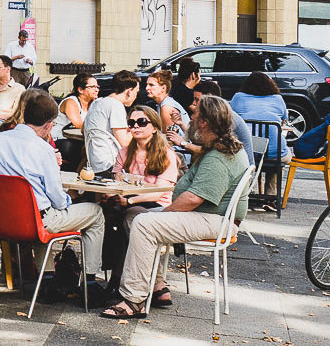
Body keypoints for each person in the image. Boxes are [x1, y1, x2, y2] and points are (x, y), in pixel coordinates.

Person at [103, 95, 249, 319]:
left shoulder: (219, 157)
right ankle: (155, 283)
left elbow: (192, 199)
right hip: (206, 216)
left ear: (204, 123)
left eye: (194, 115)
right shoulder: (218, 147)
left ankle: (134, 300)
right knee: (134, 217)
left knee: (143, 223)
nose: (190, 119)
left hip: (216, 222)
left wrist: (164, 214)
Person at [0, 90, 106, 291]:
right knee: (94, 213)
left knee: (41, 209)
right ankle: (89, 281)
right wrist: (70, 200)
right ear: (48, 124)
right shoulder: (42, 148)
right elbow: (56, 199)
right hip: (33, 222)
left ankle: (47, 280)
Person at [100, 105, 181, 283]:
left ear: (154, 127)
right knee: (99, 214)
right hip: (127, 201)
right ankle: (106, 274)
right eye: (131, 123)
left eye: (141, 122)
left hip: (158, 206)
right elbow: (116, 182)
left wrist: (128, 202)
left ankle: (141, 280)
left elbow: (158, 194)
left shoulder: (166, 154)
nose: (135, 126)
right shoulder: (124, 152)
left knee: (131, 217)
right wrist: (110, 195)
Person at [170, 80, 252, 159]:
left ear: (209, 99)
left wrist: (183, 143)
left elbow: (210, 151)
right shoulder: (218, 114)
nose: (194, 103)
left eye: (197, 99)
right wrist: (181, 124)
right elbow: (200, 140)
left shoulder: (225, 117)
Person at [84, 70, 138, 176]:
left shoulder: (96, 102)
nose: (136, 96)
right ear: (129, 91)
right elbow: (125, 142)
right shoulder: (116, 105)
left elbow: (83, 130)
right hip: (110, 163)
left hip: (93, 161)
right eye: (136, 92)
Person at [229, 71, 290, 161]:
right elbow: (284, 120)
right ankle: (273, 173)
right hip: (274, 153)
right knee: (284, 155)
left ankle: (255, 174)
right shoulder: (278, 98)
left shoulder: (238, 97)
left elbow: (231, 118)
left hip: (246, 151)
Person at [53, 73, 99, 170]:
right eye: (92, 87)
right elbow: (78, 124)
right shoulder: (71, 101)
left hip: (80, 139)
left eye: (97, 86)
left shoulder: (94, 103)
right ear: (80, 89)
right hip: (61, 138)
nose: (96, 90)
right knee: (80, 150)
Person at [147, 71, 189, 136]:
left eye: (151, 85)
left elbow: (167, 137)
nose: (147, 88)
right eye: (147, 84)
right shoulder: (163, 103)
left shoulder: (166, 107)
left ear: (163, 88)